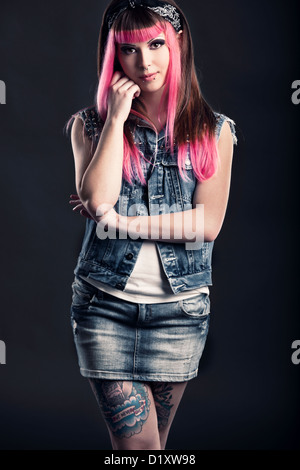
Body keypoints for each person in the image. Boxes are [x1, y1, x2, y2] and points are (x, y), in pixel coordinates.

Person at [65, 0, 237, 451]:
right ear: (113, 56)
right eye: (129, 49)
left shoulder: (214, 130)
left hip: (179, 313)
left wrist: (120, 222)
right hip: (105, 307)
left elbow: (208, 222)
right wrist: (117, 117)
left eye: (156, 44)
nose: (144, 61)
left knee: (155, 445)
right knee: (139, 448)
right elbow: (96, 198)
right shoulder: (89, 125)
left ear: (177, 43)